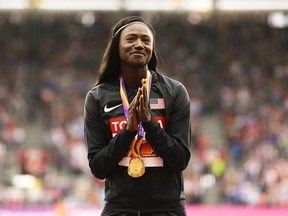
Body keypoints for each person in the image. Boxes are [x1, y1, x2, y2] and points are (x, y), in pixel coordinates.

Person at [84, 16, 191, 216]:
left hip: (167, 210)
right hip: (119, 209)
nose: (139, 44)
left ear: (152, 48)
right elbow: (98, 167)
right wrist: (128, 130)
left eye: (146, 40)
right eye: (131, 39)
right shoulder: (98, 97)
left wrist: (148, 124)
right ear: (117, 47)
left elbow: (181, 159)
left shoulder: (174, 92)